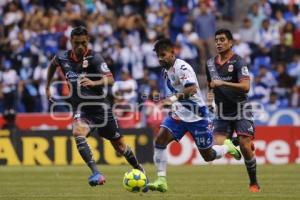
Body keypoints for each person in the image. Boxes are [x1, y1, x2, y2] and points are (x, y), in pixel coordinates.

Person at [46, 26, 145, 187]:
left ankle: (138, 168)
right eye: (77, 43)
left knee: (120, 147)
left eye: (83, 43)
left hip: (101, 110)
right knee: (78, 132)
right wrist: (47, 86)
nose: (80, 47)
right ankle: (96, 172)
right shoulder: (62, 57)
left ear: (88, 41)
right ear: (71, 42)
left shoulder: (95, 58)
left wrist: (94, 82)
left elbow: (111, 79)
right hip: (82, 109)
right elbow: (52, 65)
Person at [148, 38, 241, 193]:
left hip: (197, 117)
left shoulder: (183, 68)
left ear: (172, 52)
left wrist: (171, 99)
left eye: (163, 55)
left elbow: (191, 89)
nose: (160, 59)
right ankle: (161, 180)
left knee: (209, 155)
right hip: (178, 115)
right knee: (160, 140)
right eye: (158, 56)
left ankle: (227, 147)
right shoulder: (166, 71)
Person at [206, 29, 260, 192]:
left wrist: (223, 83)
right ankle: (232, 145)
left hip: (241, 108)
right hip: (222, 111)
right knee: (216, 146)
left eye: (222, 40)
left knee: (244, 145)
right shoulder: (209, 63)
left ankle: (253, 182)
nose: (218, 43)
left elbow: (246, 87)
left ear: (230, 42)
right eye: (216, 40)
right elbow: (210, 85)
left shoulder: (239, 62)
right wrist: (209, 98)